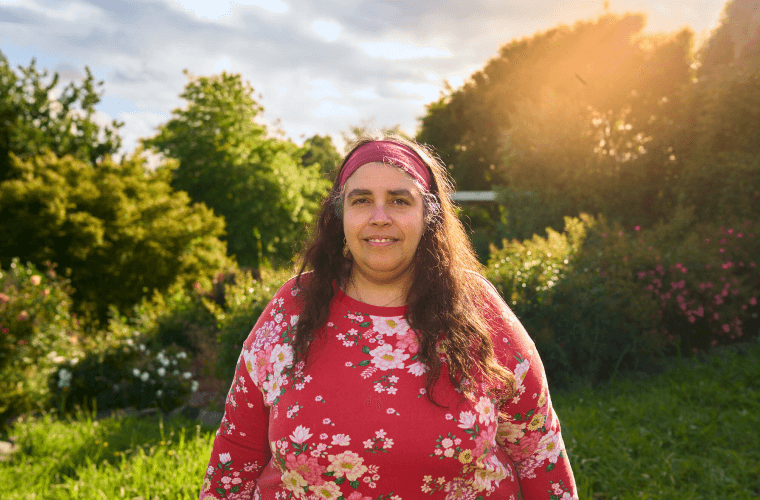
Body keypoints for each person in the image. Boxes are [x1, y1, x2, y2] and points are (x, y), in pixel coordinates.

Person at [199, 136, 577, 499]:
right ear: (340, 214)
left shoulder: (478, 311)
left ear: (429, 214)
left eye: (399, 200)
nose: (379, 217)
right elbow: (238, 450)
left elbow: (537, 452)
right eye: (361, 200)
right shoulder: (291, 310)